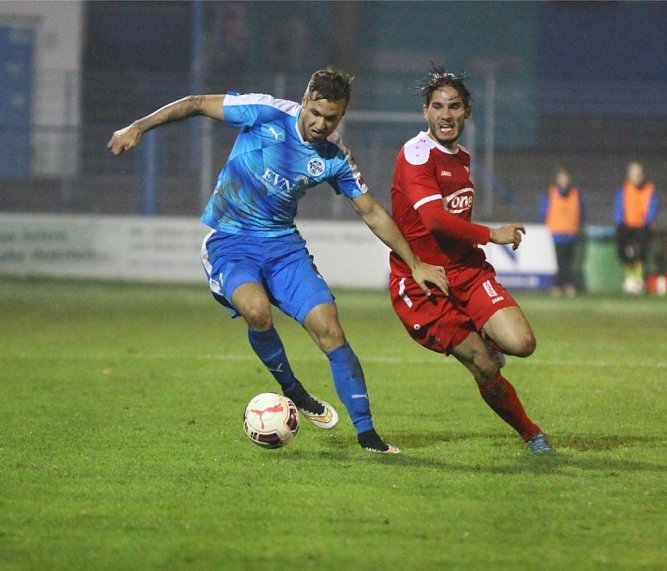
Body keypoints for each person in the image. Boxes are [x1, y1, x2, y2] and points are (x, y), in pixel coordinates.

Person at [107, 68, 449, 454]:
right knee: (256, 311)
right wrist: (138, 126)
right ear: (305, 100)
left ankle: (368, 436)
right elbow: (196, 104)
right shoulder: (265, 112)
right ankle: (294, 391)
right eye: (316, 113)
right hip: (231, 241)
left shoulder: (334, 158)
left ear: (342, 115)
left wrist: (415, 263)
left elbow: (371, 212)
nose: (321, 124)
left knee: (330, 330)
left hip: (283, 248)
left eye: (331, 118)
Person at [387, 66, 553, 454]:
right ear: (425, 112)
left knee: (523, 343)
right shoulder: (415, 152)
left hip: (466, 270)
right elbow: (434, 220)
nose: (446, 115)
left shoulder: (460, 157)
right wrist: (490, 234)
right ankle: (532, 434)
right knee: (484, 365)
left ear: (468, 112)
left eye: (455, 106)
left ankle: (486, 337)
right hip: (423, 280)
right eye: (438, 107)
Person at [539, 167, 585, 297]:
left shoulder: (576, 194)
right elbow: (543, 211)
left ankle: (563, 285)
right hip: (557, 233)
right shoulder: (551, 193)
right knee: (560, 261)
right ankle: (563, 285)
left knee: (568, 261)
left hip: (571, 232)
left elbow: (582, 212)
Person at [614, 162, 658, 295]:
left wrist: (647, 221)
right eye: (633, 174)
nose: (635, 177)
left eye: (638, 174)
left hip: (642, 225)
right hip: (626, 225)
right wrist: (620, 221)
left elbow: (652, 206)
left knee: (641, 252)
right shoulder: (624, 189)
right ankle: (629, 277)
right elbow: (618, 207)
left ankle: (638, 278)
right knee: (623, 252)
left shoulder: (650, 189)